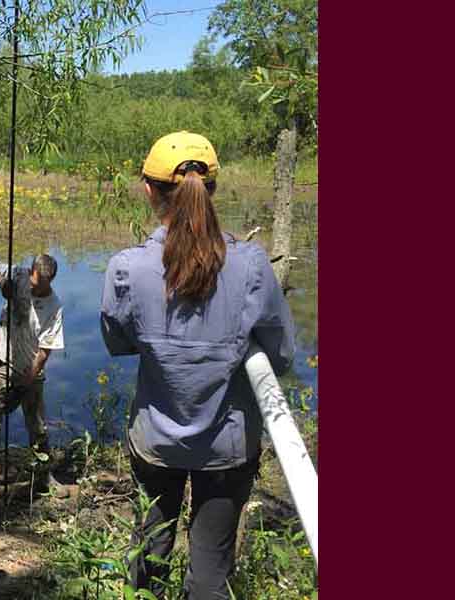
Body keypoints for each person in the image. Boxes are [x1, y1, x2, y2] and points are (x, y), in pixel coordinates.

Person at [99, 131, 294, 599]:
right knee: (210, 570)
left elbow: (117, 341)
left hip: (155, 440)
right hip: (227, 447)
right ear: (213, 189)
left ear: (150, 190)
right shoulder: (251, 265)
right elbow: (282, 355)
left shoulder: (127, 267)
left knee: (149, 549)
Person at [0, 254, 67, 498]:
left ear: (51, 280)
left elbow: (44, 352)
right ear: (29, 272)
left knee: (38, 428)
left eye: (42, 287)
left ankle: (43, 476)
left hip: (31, 370)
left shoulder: (54, 306)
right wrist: (2, 282)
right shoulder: (18, 275)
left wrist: (28, 378)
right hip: (2, 362)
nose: (35, 291)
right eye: (33, 285)